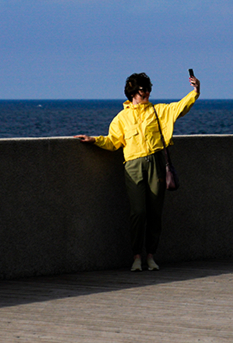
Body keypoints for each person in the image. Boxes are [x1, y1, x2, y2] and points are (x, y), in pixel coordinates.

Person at [75, 71, 200, 271]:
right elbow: (113, 141)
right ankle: (136, 257)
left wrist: (195, 90)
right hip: (133, 167)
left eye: (148, 89)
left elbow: (180, 107)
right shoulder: (121, 118)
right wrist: (94, 140)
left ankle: (150, 256)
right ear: (133, 92)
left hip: (156, 163)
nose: (147, 93)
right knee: (138, 212)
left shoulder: (158, 111)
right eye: (143, 90)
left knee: (154, 212)